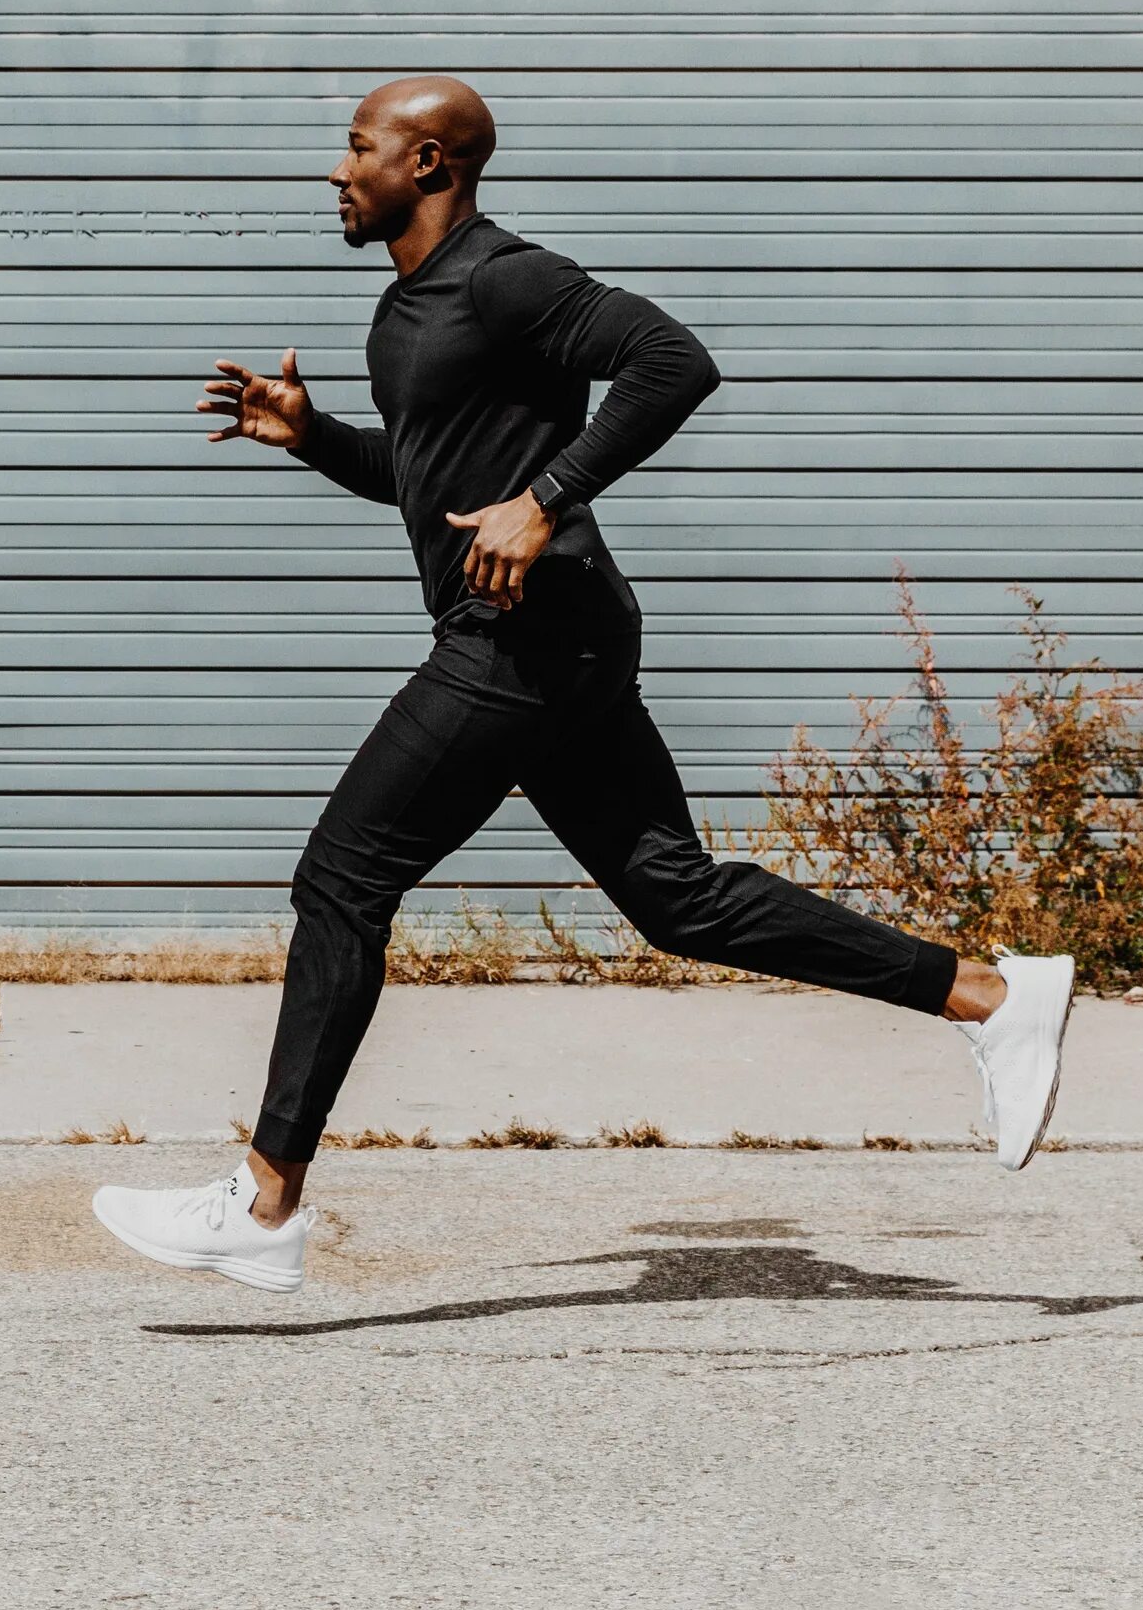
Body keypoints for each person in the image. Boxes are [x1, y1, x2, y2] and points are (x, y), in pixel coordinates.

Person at [92, 76, 1075, 1294]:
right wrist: (318, 437)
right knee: (679, 899)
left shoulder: (507, 277)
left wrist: (547, 499)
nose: (335, 172)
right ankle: (990, 995)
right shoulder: (405, 312)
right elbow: (432, 473)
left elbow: (673, 361)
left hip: (523, 641)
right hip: (561, 637)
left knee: (342, 879)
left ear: (431, 162)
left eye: (358, 149)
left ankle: (265, 1199)